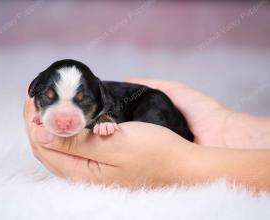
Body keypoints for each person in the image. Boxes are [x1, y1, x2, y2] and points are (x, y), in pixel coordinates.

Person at [23, 78, 270, 191]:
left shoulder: (111, 100)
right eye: (48, 100)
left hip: (150, 104)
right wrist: (230, 126)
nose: (64, 117)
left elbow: (107, 115)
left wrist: (184, 164)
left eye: (81, 102)